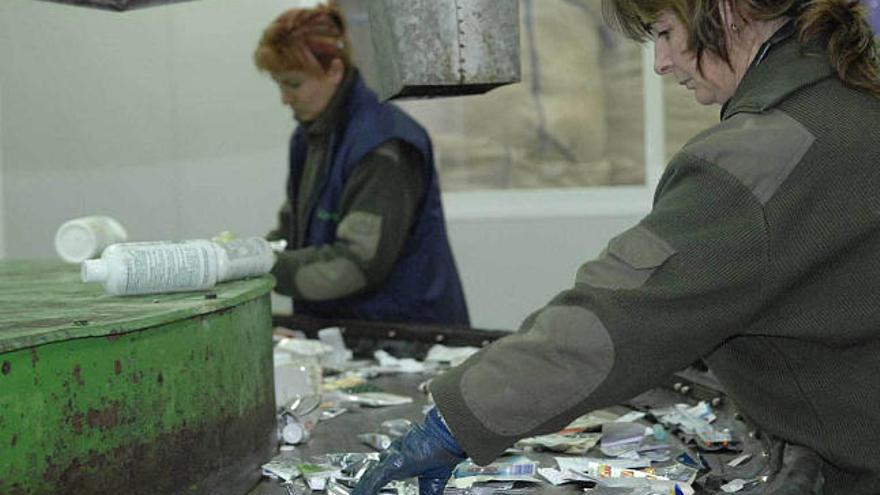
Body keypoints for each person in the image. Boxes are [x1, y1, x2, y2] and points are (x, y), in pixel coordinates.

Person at [351, 0, 880, 493]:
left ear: (727, 9)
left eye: (666, 32)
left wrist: (452, 423)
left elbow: (609, 320)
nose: (661, 62)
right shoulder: (849, 103)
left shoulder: (765, 156)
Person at [253, 4, 470, 327]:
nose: (285, 98)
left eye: (294, 84)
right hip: (345, 329)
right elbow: (291, 231)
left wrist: (262, 268)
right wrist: (244, 257)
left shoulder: (385, 147)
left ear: (335, 71)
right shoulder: (309, 137)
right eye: (279, 84)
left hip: (405, 336)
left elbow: (356, 263)